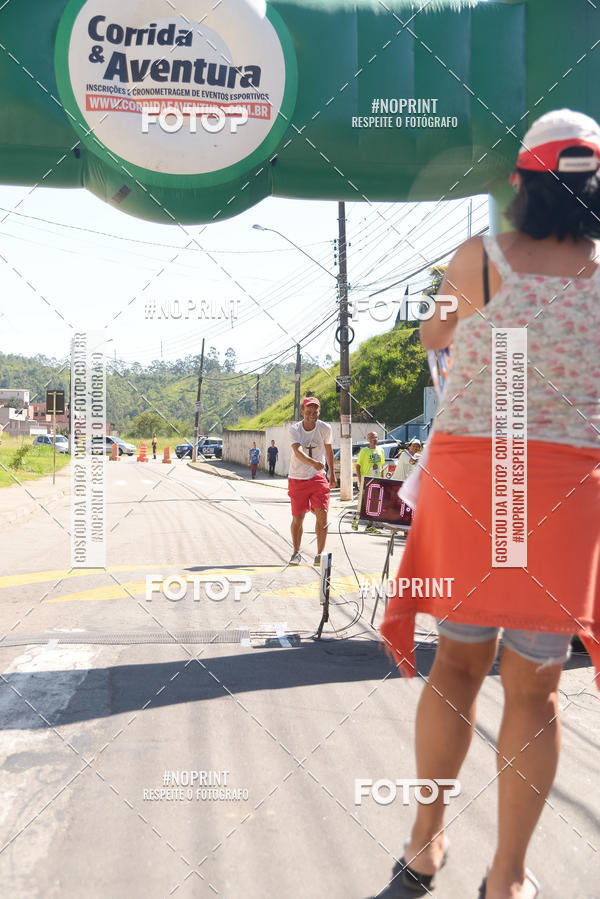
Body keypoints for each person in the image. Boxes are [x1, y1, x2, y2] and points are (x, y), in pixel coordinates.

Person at [379, 109, 600, 899]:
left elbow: (432, 339)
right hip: (568, 489)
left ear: (523, 184)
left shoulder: (478, 258)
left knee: (458, 665)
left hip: (476, 478)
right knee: (536, 685)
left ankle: (424, 842)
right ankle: (506, 877)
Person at [288, 397, 336, 566]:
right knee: (298, 518)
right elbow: (298, 452)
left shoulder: (325, 428)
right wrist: (314, 463)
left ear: (319, 412)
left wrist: (332, 474)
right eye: (308, 412)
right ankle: (296, 551)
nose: (312, 415)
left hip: (318, 477)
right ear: (302, 411)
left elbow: (329, 451)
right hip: (297, 478)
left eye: (315, 412)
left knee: (322, 514)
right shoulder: (295, 429)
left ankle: (320, 554)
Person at [352, 431, 385, 533]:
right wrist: (360, 479)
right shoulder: (364, 451)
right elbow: (357, 466)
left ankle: (370, 526)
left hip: (377, 481)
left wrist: (382, 480)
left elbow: (382, 466)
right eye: (371, 437)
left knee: (374, 504)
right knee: (363, 503)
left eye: (375, 437)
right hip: (366, 480)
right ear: (368, 440)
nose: (373, 439)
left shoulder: (381, 450)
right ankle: (355, 520)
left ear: (378, 439)